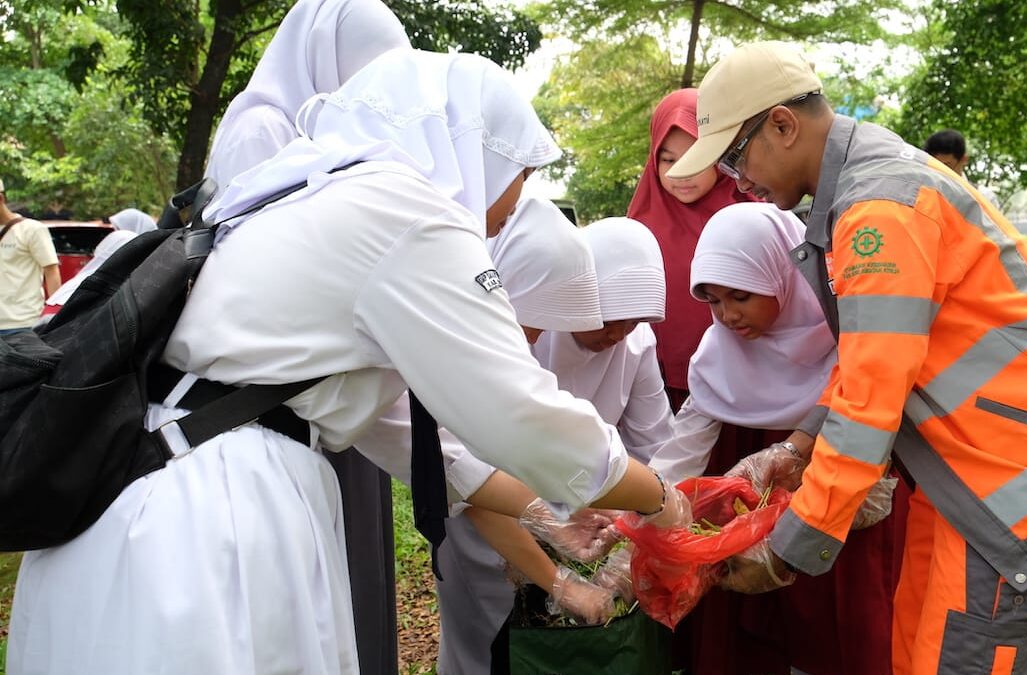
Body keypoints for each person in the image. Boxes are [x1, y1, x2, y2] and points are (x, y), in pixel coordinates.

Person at [8, 48, 690, 675]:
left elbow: (427, 444)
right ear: (473, 149)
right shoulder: (408, 212)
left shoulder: (298, 198)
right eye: (522, 174)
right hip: (209, 515)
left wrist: (546, 509)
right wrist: (662, 501)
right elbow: (522, 416)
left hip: (145, 487)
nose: (513, 204)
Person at [666, 41, 1027, 675]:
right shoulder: (866, 183)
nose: (738, 180)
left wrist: (787, 550)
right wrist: (797, 448)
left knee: (973, 656)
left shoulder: (878, 209)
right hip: (975, 453)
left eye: (736, 157)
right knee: (921, 645)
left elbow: (871, 401)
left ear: (782, 126)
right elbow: (876, 352)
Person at [203, 4, 412, 671]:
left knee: (355, 569)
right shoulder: (264, 126)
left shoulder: (350, 137)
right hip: (278, 403)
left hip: (334, 390)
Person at [649, 201, 901, 675]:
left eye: (741, 296)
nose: (727, 316)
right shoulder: (719, 354)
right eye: (713, 301)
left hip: (847, 516)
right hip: (752, 530)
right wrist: (637, 513)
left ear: (783, 273)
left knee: (844, 632)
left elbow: (874, 416)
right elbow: (686, 444)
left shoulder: (846, 338)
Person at [438, 206, 675, 674]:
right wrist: (555, 577)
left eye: (633, 321)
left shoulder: (635, 344)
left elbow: (654, 448)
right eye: (608, 317)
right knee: (487, 637)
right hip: (487, 509)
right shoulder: (527, 331)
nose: (617, 333)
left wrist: (632, 539)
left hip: (587, 515)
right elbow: (466, 464)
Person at [627, 88, 753, 411]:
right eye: (669, 160)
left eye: (696, 158)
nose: (681, 172)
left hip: (746, 386)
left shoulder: (752, 215)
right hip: (661, 389)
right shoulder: (639, 225)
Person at [204, 0, 411, 190]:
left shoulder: (328, 140)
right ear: (325, 60)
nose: (376, 96)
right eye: (365, 75)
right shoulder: (262, 130)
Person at [0, 177, 61, 335]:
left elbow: (51, 270)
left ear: (1, 198)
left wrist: (54, 316)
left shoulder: (32, 229)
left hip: (23, 323)